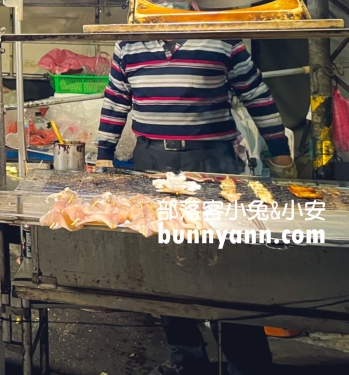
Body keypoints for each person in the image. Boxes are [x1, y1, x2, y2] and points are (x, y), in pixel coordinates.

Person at [96, 39, 297, 375]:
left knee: (227, 263)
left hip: (213, 161)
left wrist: (280, 151)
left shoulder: (221, 41)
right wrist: (104, 153)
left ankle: (246, 363)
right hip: (151, 160)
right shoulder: (127, 45)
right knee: (165, 264)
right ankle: (187, 360)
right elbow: (116, 99)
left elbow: (256, 94)